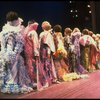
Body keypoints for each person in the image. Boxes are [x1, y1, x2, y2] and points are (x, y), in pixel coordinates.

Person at [0, 11, 33, 93]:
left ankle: (8, 84)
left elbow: (4, 44)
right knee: (13, 68)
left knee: (7, 69)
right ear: (15, 19)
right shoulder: (15, 31)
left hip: (5, 53)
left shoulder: (4, 31)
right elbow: (14, 44)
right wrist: (13, 54)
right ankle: (13, 84)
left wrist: (6, 53)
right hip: (12, 54)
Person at [38, 21, 58, 90]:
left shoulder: (43, 33)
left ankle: (46, 80)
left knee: (45, 65)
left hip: (44, 50)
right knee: (47, 65)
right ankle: (49, 79)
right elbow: (50, 44)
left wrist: (48, 52)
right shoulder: (48, 34)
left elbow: (47, 44)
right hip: (45, 50)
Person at [24, 20, 39, 88]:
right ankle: (33, 81)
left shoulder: (25, 31)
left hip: (26, 50)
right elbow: (35, 43)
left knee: (28, 65)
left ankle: (29, 80)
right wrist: (36, 53)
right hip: (32, 50)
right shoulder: (33, 32)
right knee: (33, 65)